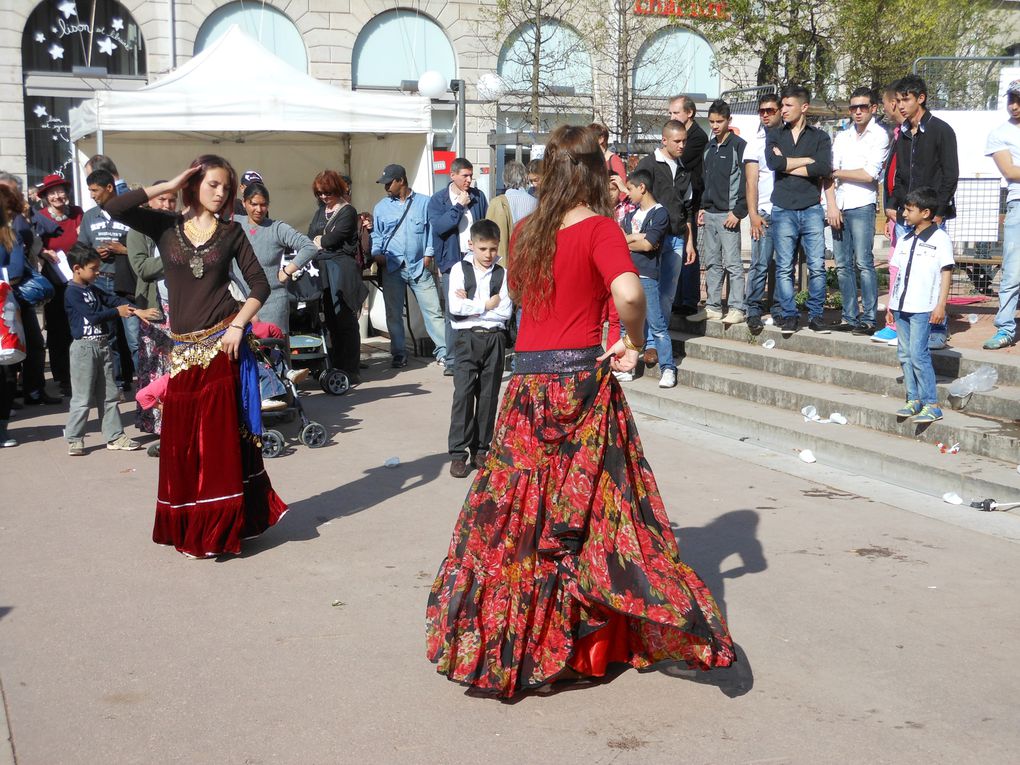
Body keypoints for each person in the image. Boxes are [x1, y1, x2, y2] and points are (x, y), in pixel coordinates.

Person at [426, 124, 735, 698]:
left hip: (525, 385)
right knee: (593, 511)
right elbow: (630, 294)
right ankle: (574, 646)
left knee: (522, 517)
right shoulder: (598, 229)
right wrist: (635, 342)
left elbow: (522, 295)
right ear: (595, 173)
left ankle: (519, 645)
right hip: (578, 386)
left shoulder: (523, 232)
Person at [103, 154, 288, 559]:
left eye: (226, 187)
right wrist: (167, 185)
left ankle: (223, 531)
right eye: (212, 185)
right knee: (183, 444)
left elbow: (260, 284)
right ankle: (190, 526)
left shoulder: (232, 233)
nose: (221, 194)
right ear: (194, 184)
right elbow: (112, 206)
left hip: (223, 344)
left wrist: (239, 325)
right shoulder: (164, 225)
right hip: (182, 349)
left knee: (218, 444)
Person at [63, 243, 157, 456]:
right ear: (77, 268)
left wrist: (135, 310)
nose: (97, 272)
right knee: (82, 398)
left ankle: (115, 436)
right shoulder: (72, 293)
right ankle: (75, 438)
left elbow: (113, 299)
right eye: (93, 269)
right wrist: (117, 311)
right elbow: (93, 316)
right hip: (83, 350)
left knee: (109, 395)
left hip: (102, 347)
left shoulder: (93, 289)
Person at [888, 74, 958, 350]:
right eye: (898, 100)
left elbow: (950, 175)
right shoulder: (904, 134)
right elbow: (902, 175)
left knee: (934, 272)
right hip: (908, 215)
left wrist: (938, 211)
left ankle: (938, 327)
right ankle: (907, 328)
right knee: (908, 271)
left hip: (933, 216)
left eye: (906, 99)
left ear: (921, 98)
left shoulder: (941, 130)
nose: (901, 106)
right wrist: (895, 206)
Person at [446, 220, 512, 478]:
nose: (488, 255)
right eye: (483, 249)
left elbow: (505, 311)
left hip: (494, 339)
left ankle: (482, 449)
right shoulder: (459, 270)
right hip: (467, 339)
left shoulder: (502, 274)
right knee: (463, 394)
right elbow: (455, 307)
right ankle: (458, 453)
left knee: (488, 396)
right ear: (471, 245)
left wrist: (472, 304)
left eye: (493, 249)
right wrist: (486, 305)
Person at [766, 84, 834, 336]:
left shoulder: (820, 137)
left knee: (817, 265)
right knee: (784, 266)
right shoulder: (774, 134)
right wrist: (807, 160)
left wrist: (787, 164)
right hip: (782, 208)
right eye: (782, 105)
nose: (782, 110)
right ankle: (789, 315)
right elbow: (774, 163)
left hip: (811, 208)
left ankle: (816, 315)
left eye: (787, 105)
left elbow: (824, 168)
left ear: (803, 107)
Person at [827, 87, 890, 335]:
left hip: (863, 204)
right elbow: (829, 172)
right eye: (854, 107)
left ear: (873, 108)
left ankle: (869, 318)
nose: (858, 111)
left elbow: (869, 175)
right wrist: (831, 204)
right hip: (840, 204)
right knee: (842, 264)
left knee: (864, 262)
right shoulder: (842, 136)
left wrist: (838, 173)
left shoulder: (880, 136)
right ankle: (849, 316)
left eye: (863, 106)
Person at [371, 164, 447, 369]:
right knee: (393, 314)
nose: (386, 186)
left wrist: (428, 255)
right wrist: (377, 254)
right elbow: (376, 235)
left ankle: (444, 353)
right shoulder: (380, 207)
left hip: (419, 266)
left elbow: (432, 230)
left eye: (389, 182)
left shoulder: (424, 202)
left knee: (433, 311)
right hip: (392, 267)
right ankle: (398, 353)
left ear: (401, 181)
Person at [889, 188, 954, 423]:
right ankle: (913, 399)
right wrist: (890, 305)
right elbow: (896, 273)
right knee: (905, 354)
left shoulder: (940, 239)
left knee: (919, 354)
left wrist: (941, 306)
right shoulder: (905, 238)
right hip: (900, 307)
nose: (904, 214)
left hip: (922, 307)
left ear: (925, 212)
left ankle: (931, 403)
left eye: (909, 210)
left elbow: (946, 273)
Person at [429, 157, 489, 374]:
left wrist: (481, 243)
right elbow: (441, 228)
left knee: (478, 307)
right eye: (465, 175)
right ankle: (452, 360)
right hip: (452, 261)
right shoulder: (438, 200)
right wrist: (458, 206)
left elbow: (484, 224)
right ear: (452, 175)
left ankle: (477, 356)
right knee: (454, 309)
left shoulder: (478, 196)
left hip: (475, 259)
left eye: (471, 175)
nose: (469, 180)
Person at [78, 168, 136, 389]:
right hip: (100, 280)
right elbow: (81, 248)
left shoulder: (130, 213)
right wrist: (95, 254)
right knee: (108, 336)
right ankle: (118, 384)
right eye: (90, 191)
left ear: (109, 188)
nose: (92, 195)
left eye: (95, 190)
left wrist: (123, 249)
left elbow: (145, 247)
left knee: (134, 337)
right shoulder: (89, 216)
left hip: (126, 281)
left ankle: (144, 384)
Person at [126, 182, 176, 435]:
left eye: (172, 200)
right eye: (162, 200)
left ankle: (178, 422)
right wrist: (172, 253)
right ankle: (158, 426)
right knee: (154, 369)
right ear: (151, 201)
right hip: (154, 309)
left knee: (177, 369)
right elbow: (142, 269)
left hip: (180, 307)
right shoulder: (138, 231)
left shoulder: (179, 226)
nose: (167, 205)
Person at [635, 121, 697, 326]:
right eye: (677, 141)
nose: (681, 145)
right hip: (653, 239)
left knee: (667, 294)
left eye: (684, 141)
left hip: (677, 238)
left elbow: (687, 208)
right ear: (664, 140)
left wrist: (690, 242)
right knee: (648, 292)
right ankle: (643, 340)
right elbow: (637, 200)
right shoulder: (648, 164)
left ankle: (656, 341)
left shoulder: (684, 170)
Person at [306, 171, 366, 382]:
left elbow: (333, 238)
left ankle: (351, 368)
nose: (323, 197)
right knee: (330, 319)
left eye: (327, 193)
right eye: (320, 193)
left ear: (337, 190)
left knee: (345, 318)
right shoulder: (321, 211)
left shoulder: (348, 211)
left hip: (341, 269)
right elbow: (309, 235)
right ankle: (336, 364)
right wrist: (320, 240)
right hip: (323, 268)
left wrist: (320, 240)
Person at [0, 184, 56, 408]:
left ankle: (33, 391)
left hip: (16, 301)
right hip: (6, 299)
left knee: (33, 345)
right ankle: (8, 397)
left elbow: (14, 271)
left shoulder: (10, 234)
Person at [620, 169, 677, 388]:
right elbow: (621, 240)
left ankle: (668, 368)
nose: (628, 194)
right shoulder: (630, 215)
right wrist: (636, 238)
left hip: (647, 275)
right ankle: (628, 366)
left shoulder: (659, 213)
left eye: (631, 189)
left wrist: (633, 239)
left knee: (656, 324)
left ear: (642, 188)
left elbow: (648, 244)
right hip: (628, 274)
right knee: (627, 325)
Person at [238, 181, 317, 335]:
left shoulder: (277, 228)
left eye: (263, 205)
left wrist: (287, 271)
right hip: (240, 306)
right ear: (244, 203)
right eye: (253, 204)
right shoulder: (235, 224)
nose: (259, 210)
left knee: (274, 355)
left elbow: (309, 247)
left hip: (271, 304)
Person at [698, 99, 748, 326]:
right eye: (712, 122)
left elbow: (747, 181)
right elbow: (704, 180)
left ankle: (737, 306)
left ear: (729, 121)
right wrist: (702, 206)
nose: (715, 126)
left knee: (733, 263)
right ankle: (713, 306)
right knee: (711, 262)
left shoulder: (739, 145)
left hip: (729, 214)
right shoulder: (709, 147)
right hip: (710, 212)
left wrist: (738, 211)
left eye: (719, 121)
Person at [34, 172, 83, 394]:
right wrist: (44, 252)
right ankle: (62, 377)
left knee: (78, 325)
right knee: (57, 328)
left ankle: (81, 373)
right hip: (54, 278)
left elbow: (83, 238)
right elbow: (33, 245)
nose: (57, 196)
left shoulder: (77, 213)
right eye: (52, 193)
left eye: (60, 191)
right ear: (45, 196)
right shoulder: (40, 217)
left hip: (77, 276)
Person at [982, 82, 1020, 350]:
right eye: (1011, 99)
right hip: (1018, 201)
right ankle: (1005, 327)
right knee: (1013, 271)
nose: (1014, 105)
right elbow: (1010, 171)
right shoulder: (1000, 133)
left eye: (1019, 100)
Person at [744, 93, 783, 335]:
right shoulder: (755, 142)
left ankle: (780, 307)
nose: (766, 115)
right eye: (762, 111)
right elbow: (751, 182)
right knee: (760, 262)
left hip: (788, 210)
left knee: (784, 265)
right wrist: (753, 214)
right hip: (765, 211)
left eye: (770, 110)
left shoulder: (789, 139)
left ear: (780, 111)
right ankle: (754, 308)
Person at [873, 81, 908, 346]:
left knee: (903, 269)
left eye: (885, 104)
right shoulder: (897, 133)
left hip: (910, 213)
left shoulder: (910, 134)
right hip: (896, 214)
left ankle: (901, 324)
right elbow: (891, 176)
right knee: (895, 266)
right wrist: (888, 211)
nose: (885, 109)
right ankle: (894, 322)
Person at [668, 95, 709, 315]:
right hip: (678, 199)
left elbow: (679, 160)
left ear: (689, 113)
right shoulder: (679, 136)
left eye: (676, 113)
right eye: (670, 113)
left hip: (691, 201)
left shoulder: (697, 137)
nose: (672, 117)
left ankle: (689, 299)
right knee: (677, 248)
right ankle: (676, 297)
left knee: (689, 249)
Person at [485, 160, 537, 266]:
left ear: (505, 179)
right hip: (528, 260)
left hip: (502, 263)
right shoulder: (536, 203)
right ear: (525, 178)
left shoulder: (496, 203)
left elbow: (486, 235)